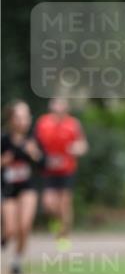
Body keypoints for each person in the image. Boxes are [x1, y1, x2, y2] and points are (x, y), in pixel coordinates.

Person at [34, 97, 88, 242]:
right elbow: (35, 146)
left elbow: (83, 145)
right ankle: (57, 222)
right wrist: (43, 159)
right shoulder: (42, 123)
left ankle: (64, 235)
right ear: (51, 110)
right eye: (56, 110)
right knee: (48, 204)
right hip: (49, 170)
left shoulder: (73, 124)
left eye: (62, 110)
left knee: (65, 203)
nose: (59, 113)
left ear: (66, 110)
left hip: (67, 170)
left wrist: (77, 148)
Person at [1, 101, 44, 274]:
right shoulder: (3, 140)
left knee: (24, 226)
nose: (23, 121)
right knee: (11, 229)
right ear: (11, 119)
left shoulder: (34, 140)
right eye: (19, 117)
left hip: (28, 187)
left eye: (26, 117)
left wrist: (35, 154)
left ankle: (17, 261)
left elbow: (45, 164)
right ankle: (5, 237)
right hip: (9, 188)